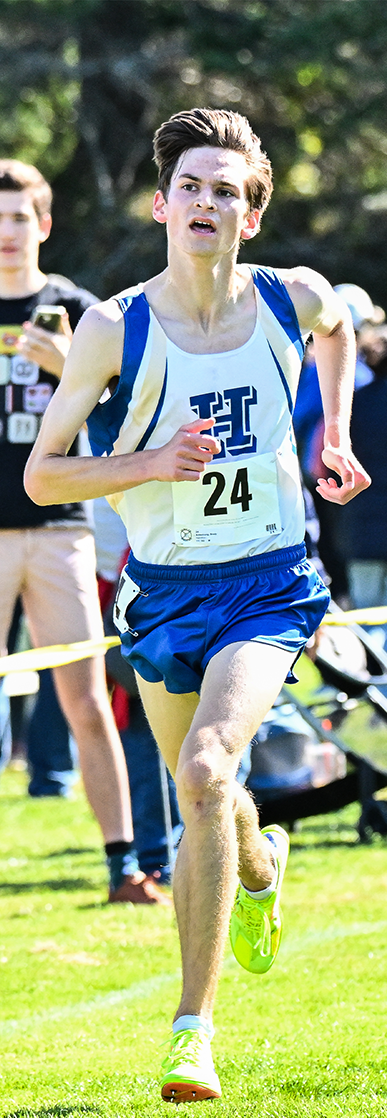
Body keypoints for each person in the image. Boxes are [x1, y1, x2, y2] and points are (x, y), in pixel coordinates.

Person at [24, 108, 371, 1101]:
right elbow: (48, 478)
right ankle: (259, 871)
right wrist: (151, 463)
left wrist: (333, 434)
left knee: (208, 765)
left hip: (268, 580)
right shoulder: (113, 327)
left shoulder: (288, 298)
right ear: (162, 205)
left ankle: (192, 1031)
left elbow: (340, 327)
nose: (207, 201)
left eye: (228, 189)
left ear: (249, 214)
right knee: (206, 786)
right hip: (165, 594)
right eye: (192, 187)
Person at [0, 159, 153, 904]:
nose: (7, 232)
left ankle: (123, 867)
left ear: (45, 225)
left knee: (87, 699)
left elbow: (131, 410)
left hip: (61, 530)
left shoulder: (76, 308)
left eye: (20, 217)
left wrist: (66, 365)